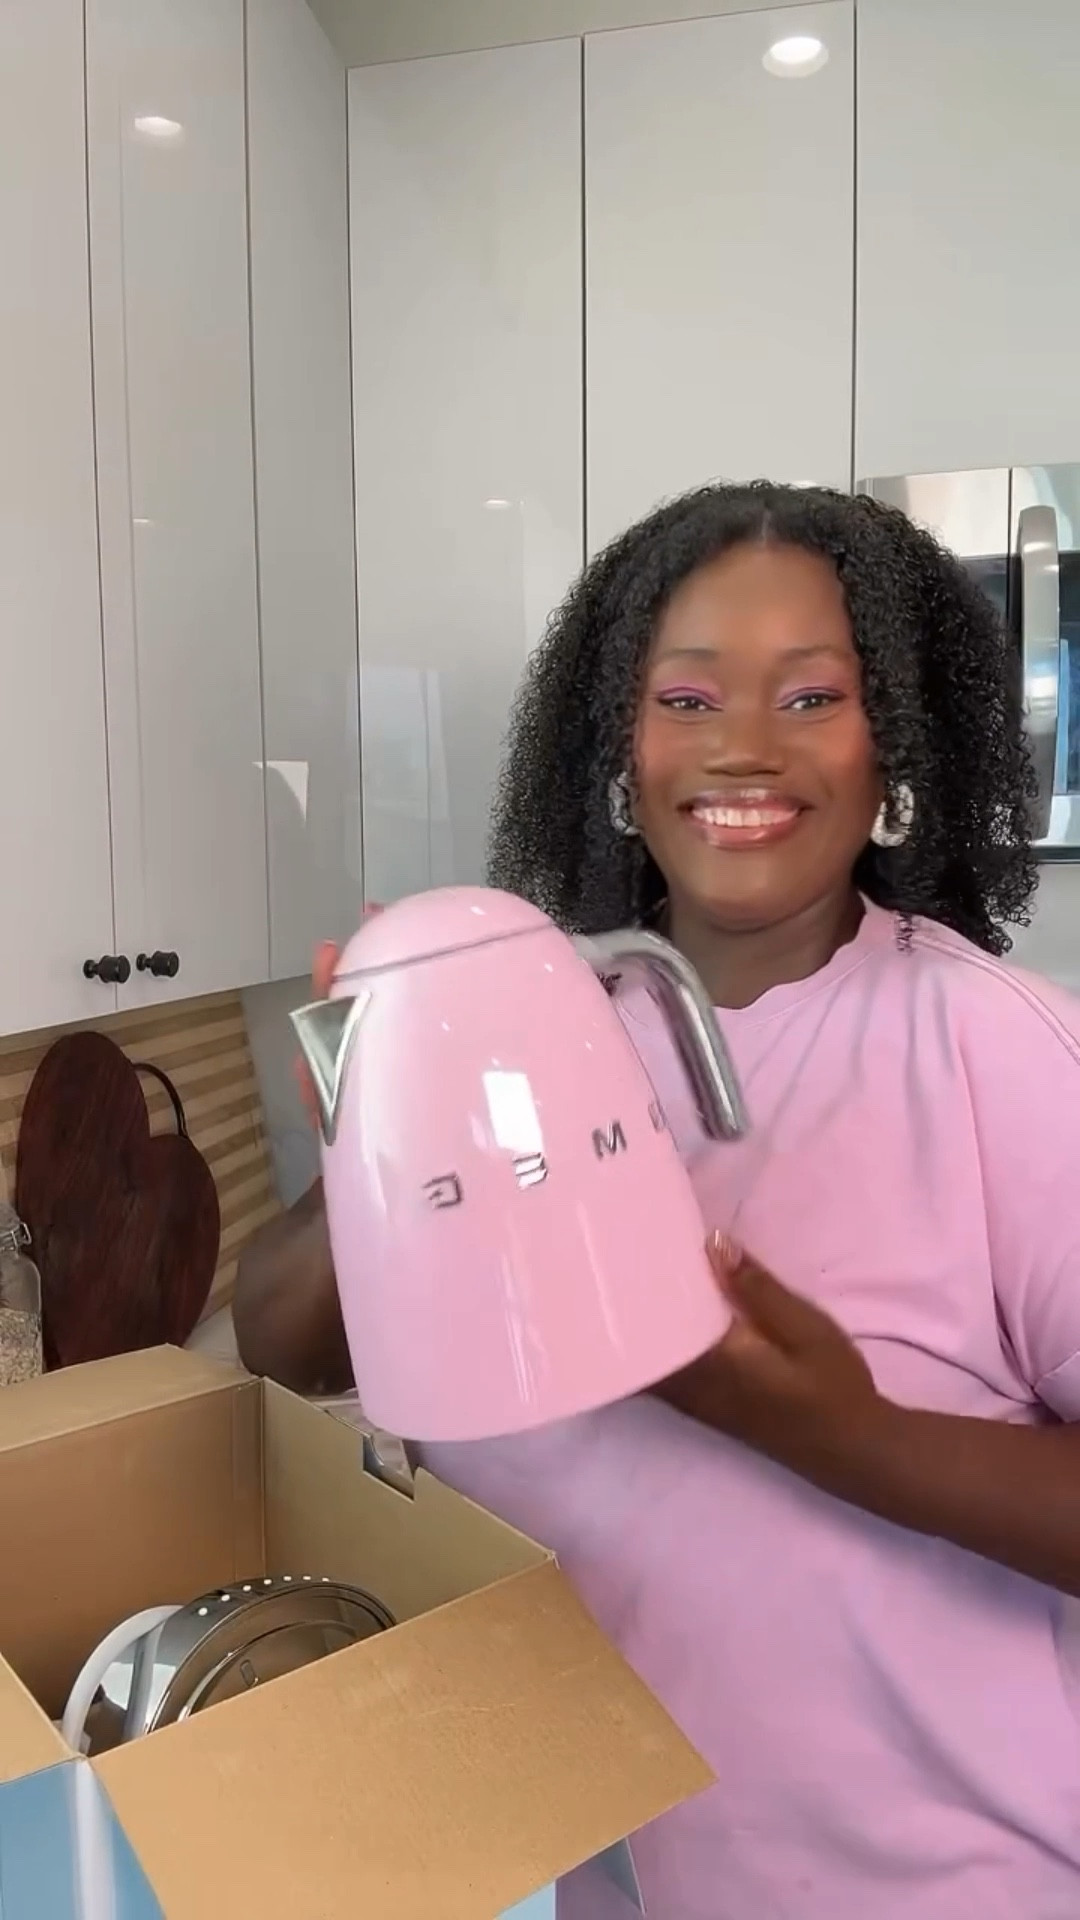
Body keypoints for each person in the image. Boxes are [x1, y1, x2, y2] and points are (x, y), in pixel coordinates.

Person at [234, 481, 1080, 1919]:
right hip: (579, 1870)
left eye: (812, 697)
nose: (741, 745)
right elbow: (289, 1343)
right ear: (619, 744)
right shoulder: (521, 1020)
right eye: (686, 697)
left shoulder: (1002, 1051)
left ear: (896, 748)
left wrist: (838, 1432)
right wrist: (372, 1148)